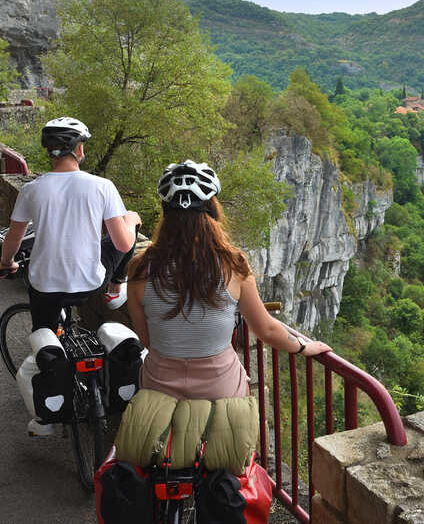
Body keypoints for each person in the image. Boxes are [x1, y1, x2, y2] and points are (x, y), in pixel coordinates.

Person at [126, 160, 331, 400]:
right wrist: (304, 347)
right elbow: (265, 329)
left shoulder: (139, 267)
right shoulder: (233, 264)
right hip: (218, 387)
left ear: (166, 212)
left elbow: (146, 337)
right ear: (212, 210)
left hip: (160, 385)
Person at [1, 117, 142, 332]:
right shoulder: (103, 186)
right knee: (127, 220)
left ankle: (46, 348)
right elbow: (123, 245)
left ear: (49, 152)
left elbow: (13, 237)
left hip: (45, 286)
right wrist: (131, 220)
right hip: (90, 283)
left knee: (44, 338)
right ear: (79, 149)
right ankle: (115, 287)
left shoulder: (31, 190)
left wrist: (7, 262)